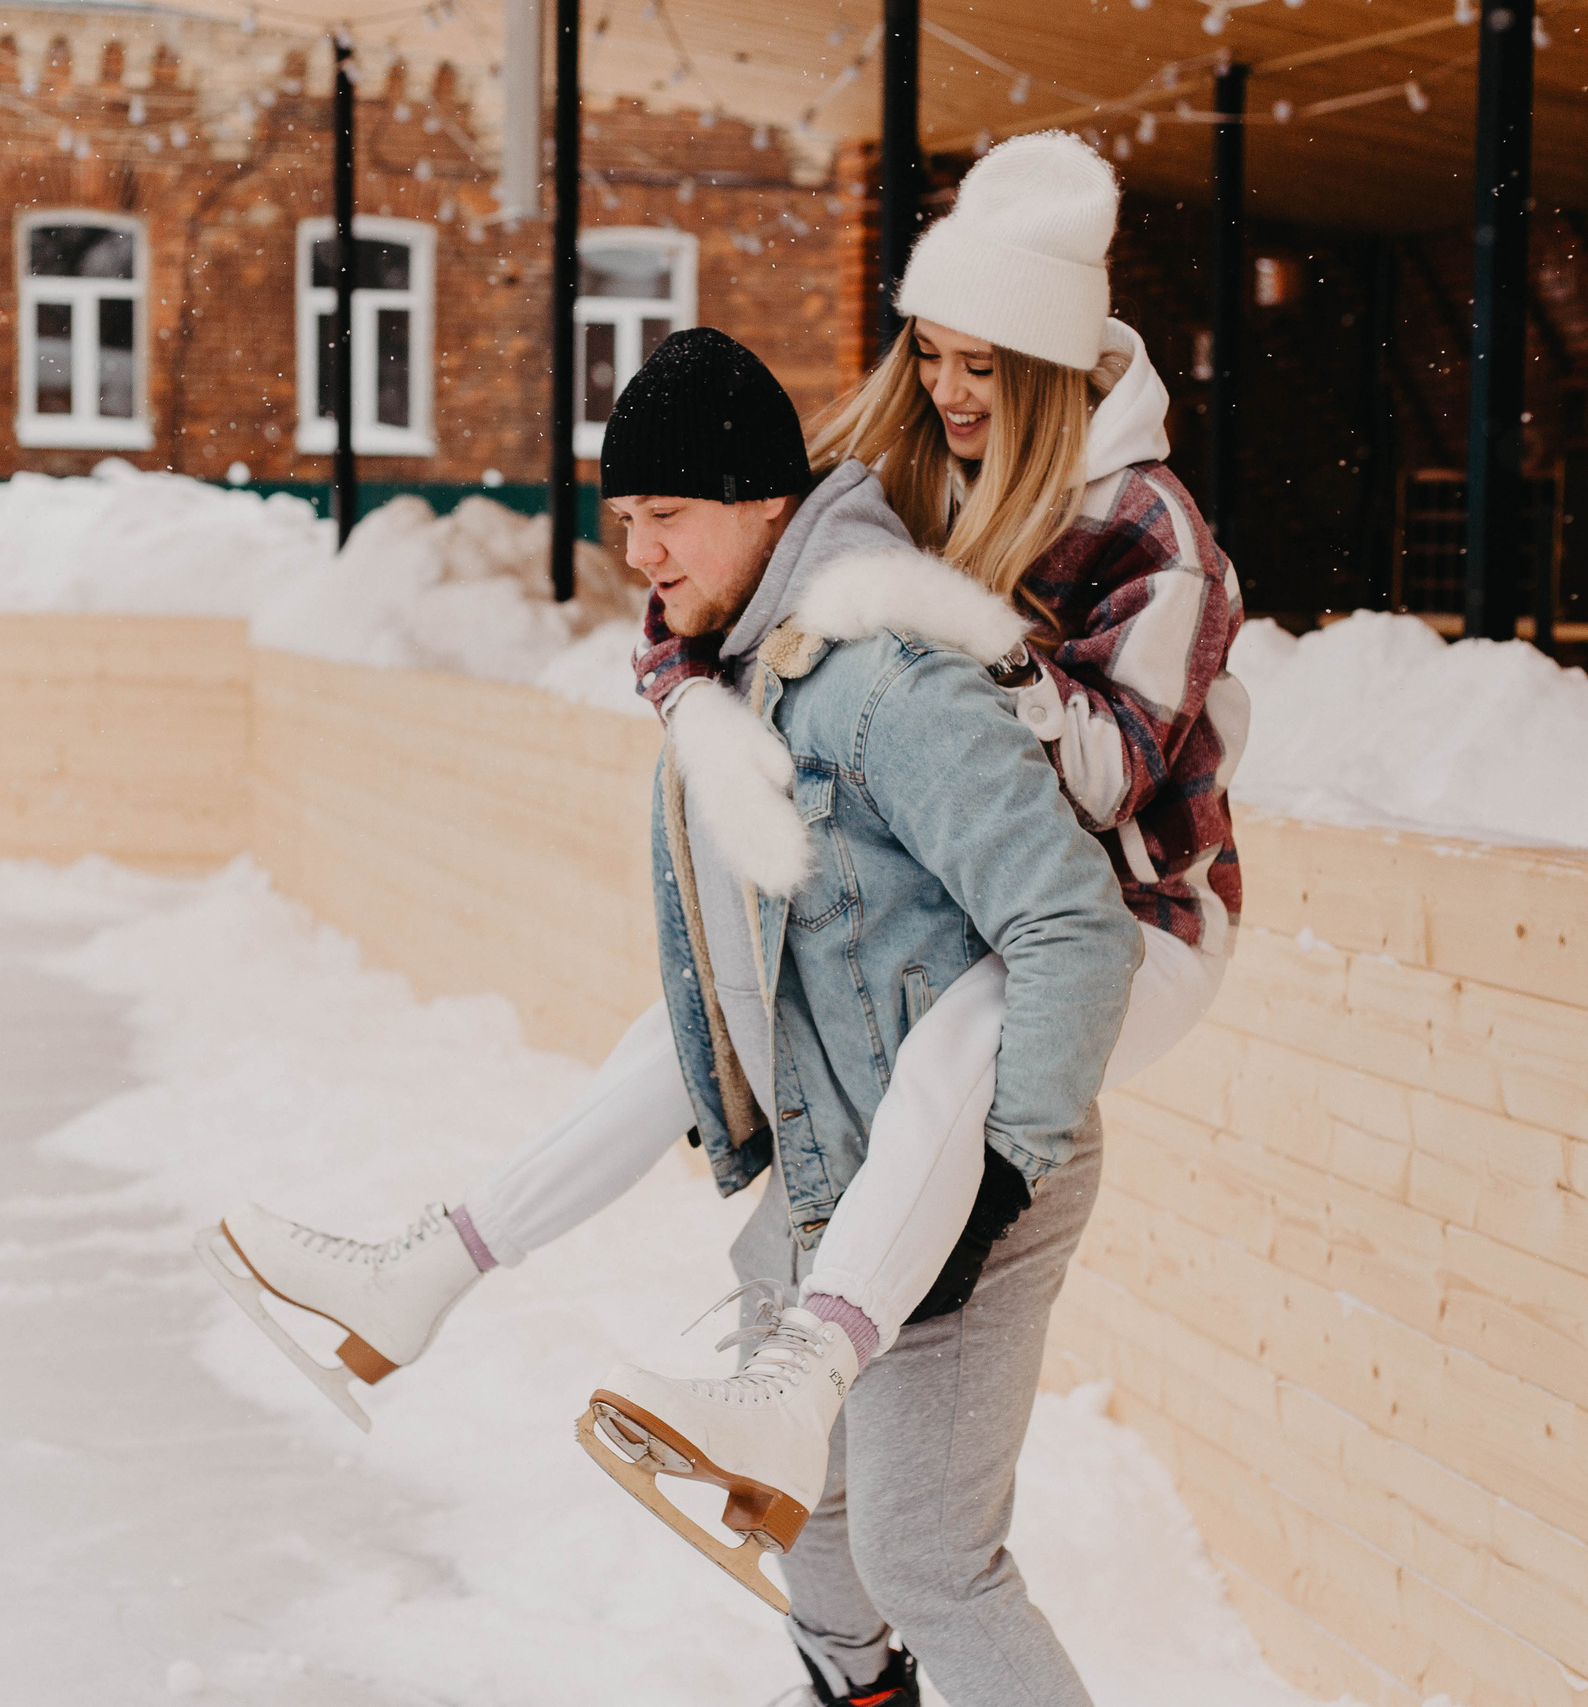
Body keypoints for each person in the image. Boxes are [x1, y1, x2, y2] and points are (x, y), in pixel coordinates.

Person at [202, 132, 1248, 1707]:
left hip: (1138, 903)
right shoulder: (879, 503)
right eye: (933, 356)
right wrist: (705, 681)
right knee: (703, 1007)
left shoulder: (1138, 536)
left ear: (1048, 367)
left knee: (923, 1538)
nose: (951, 391)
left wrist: (937, 636)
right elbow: (721, 569)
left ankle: (808, 1351)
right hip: (937, 961)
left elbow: (1102, 799)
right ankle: (451, 1263)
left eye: (985, 365)